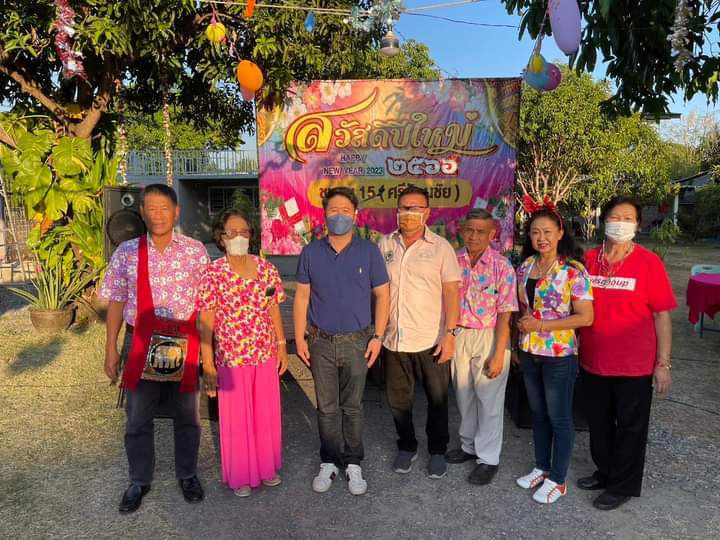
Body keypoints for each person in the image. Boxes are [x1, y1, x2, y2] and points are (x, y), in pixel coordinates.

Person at [100, 184, 209, 514]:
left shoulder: (194, 251)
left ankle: (187, 474)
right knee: (137, 416)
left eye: (164, 208)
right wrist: (110, 348)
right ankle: (139, 479)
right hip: (140, 341)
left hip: (184, 342)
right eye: (151, 208)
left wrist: (208, 353)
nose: (158, 215)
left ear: (176, 212)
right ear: (142, 212)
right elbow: (117, 300)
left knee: (187, 415)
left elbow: (207, 304)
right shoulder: (127, 252)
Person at [577, 196, 676, 511]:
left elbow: (661, 315)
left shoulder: (648, 263)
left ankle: (622, 485)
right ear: (603, 220)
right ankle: (605, 472)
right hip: (593, 360)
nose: (620, 223)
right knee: (599, 423)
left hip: (634, 365)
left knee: (631, 427)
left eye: (628, 218)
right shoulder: (588, 260)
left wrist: (663, 363)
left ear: (638, 225)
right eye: (615, 216)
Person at [294, 187, 390, 496]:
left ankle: (353, 461)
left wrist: (378, 336)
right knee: (326, 407)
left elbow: (383, 295)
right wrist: (299, 336)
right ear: (324, 214)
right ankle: (329, 460)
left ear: (355, 215)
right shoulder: (311, 252)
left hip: (358, 342)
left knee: (353, 406)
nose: (339, 216)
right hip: (320, 341)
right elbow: (302, 297)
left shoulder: (369, 252)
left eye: (345, 211)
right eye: (333, 210)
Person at [196, 208, 288, 497]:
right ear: (221, 238)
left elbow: (273, 308)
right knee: (237, 420)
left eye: (244, 231)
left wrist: (281, 345)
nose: (239, 237)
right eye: (232, 232)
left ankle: (266, 468)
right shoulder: (213, 273)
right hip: (231, 359)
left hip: (264, 354)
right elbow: (206, 320)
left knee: (265, 415)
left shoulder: (266, 268)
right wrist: (207, 363)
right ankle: (241, 476)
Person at [513, 198, 593, 504]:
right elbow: (522, 310)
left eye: (547, 231)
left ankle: (558, 480)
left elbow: (586, 317)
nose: (541, 238)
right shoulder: (525, 267)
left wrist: (542, 326)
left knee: (559, 417)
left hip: (559, 355)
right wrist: (518, 339)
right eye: (535, 232)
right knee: (538, 413)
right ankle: (541, 467)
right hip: (529, 352)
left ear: (560, 233)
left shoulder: (573, 271)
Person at [378, 185, 462, 479]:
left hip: (431, 340)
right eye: (404, 207)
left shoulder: (441, 247)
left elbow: (451, 293)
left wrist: (450, 334)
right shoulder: (384, 244)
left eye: (415, 208)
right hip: (394, 339)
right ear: (397, 211)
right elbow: (377, 291)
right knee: (398, 401)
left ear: (427, 213)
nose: (409, 213)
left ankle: (437, 450)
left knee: (437, 401)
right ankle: (407, 446)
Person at [445, 210, 518, 485]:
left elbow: (506, 314)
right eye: (469, 230)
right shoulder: (453, 260)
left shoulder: (502, 265)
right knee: (463, 395)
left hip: (490, 336)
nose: (474, 236)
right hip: (459, 334)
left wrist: (499, 353)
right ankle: (468, 446)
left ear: (492, 234)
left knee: (489, 400)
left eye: (480, 231)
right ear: (462, 231)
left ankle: (488, 458)